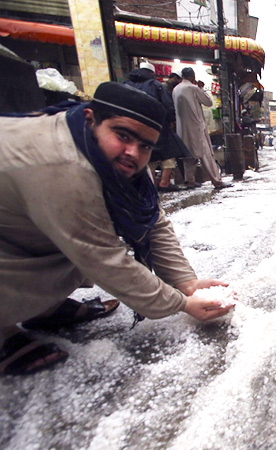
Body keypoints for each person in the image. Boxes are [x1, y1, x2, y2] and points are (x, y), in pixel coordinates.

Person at [0, 82, 235, 376]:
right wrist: (183, 303)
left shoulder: (104, 150)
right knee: (80, 238)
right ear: (90, 119)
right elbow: (103, 257)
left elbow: (153, 222)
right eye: (122, 135)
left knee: (71, 237)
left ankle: (44, 307)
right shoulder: (61, 167)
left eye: (145, 146)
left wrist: (185, 281)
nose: (132, 153)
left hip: (23, 219)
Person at [124, 61, 188, 193]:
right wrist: (171, 120)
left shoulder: (125, 85)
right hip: (157, 126)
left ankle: (151, 185)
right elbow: (167, 104)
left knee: (147, 155)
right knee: (169, 154)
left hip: (133, 126)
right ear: (152, 73)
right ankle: (164, 183)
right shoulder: (156, 85)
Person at [173, 67, 231, 189]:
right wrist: (201, 88)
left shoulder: (175, 89)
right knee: (206, 154)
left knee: (189, 156)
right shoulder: (193, 88)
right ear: (192, 76)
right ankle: (216, 180)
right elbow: (208, 102)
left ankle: (190, 181)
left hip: (182, 129)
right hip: (196, 127)